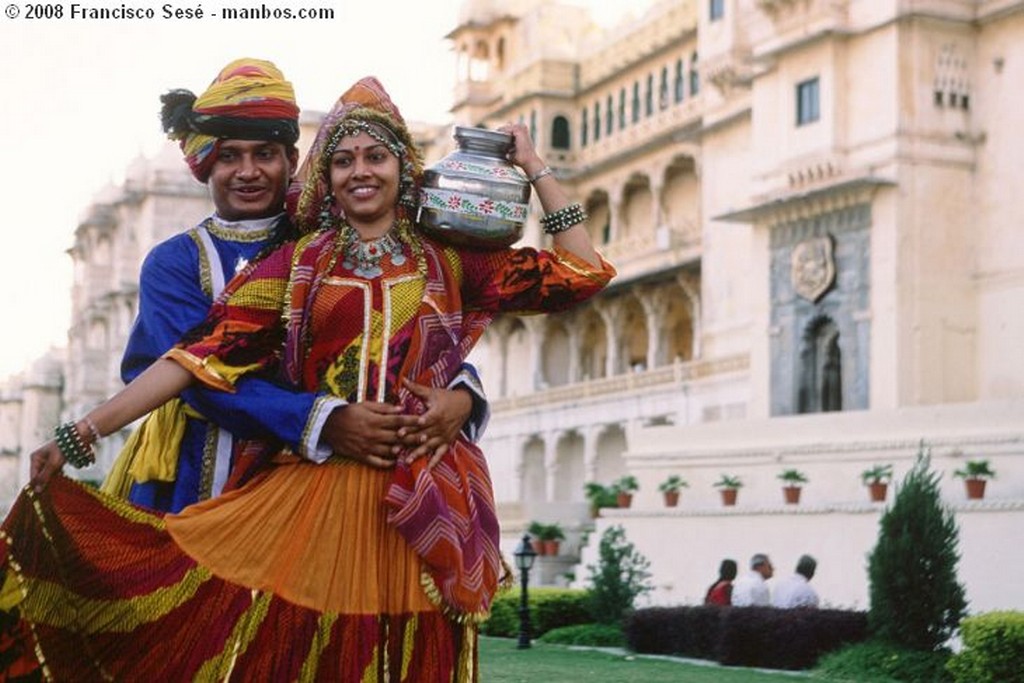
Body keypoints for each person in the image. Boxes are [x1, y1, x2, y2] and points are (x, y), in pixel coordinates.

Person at [8, 76, 614, 681]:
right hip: (318, 491)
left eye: (376, 156)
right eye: (344, 161)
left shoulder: (449, 258)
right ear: (325, 178)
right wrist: (82, 430)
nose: (361, 173)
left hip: (423, 490)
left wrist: (535, 166)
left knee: (410, 657)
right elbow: (194, 359)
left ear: (404, 167)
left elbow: (581, 273)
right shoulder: (301, 263)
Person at [104, 58, 488, 513]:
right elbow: (195, 379)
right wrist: (324, 420)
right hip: (197, 469)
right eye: (228, 156)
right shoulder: (175, 262)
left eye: (264, 154)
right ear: (204, 165)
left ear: (291, 160)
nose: (248, 171)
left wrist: (463, 395)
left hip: (323, 475)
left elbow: (407, 334)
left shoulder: (332, 242)